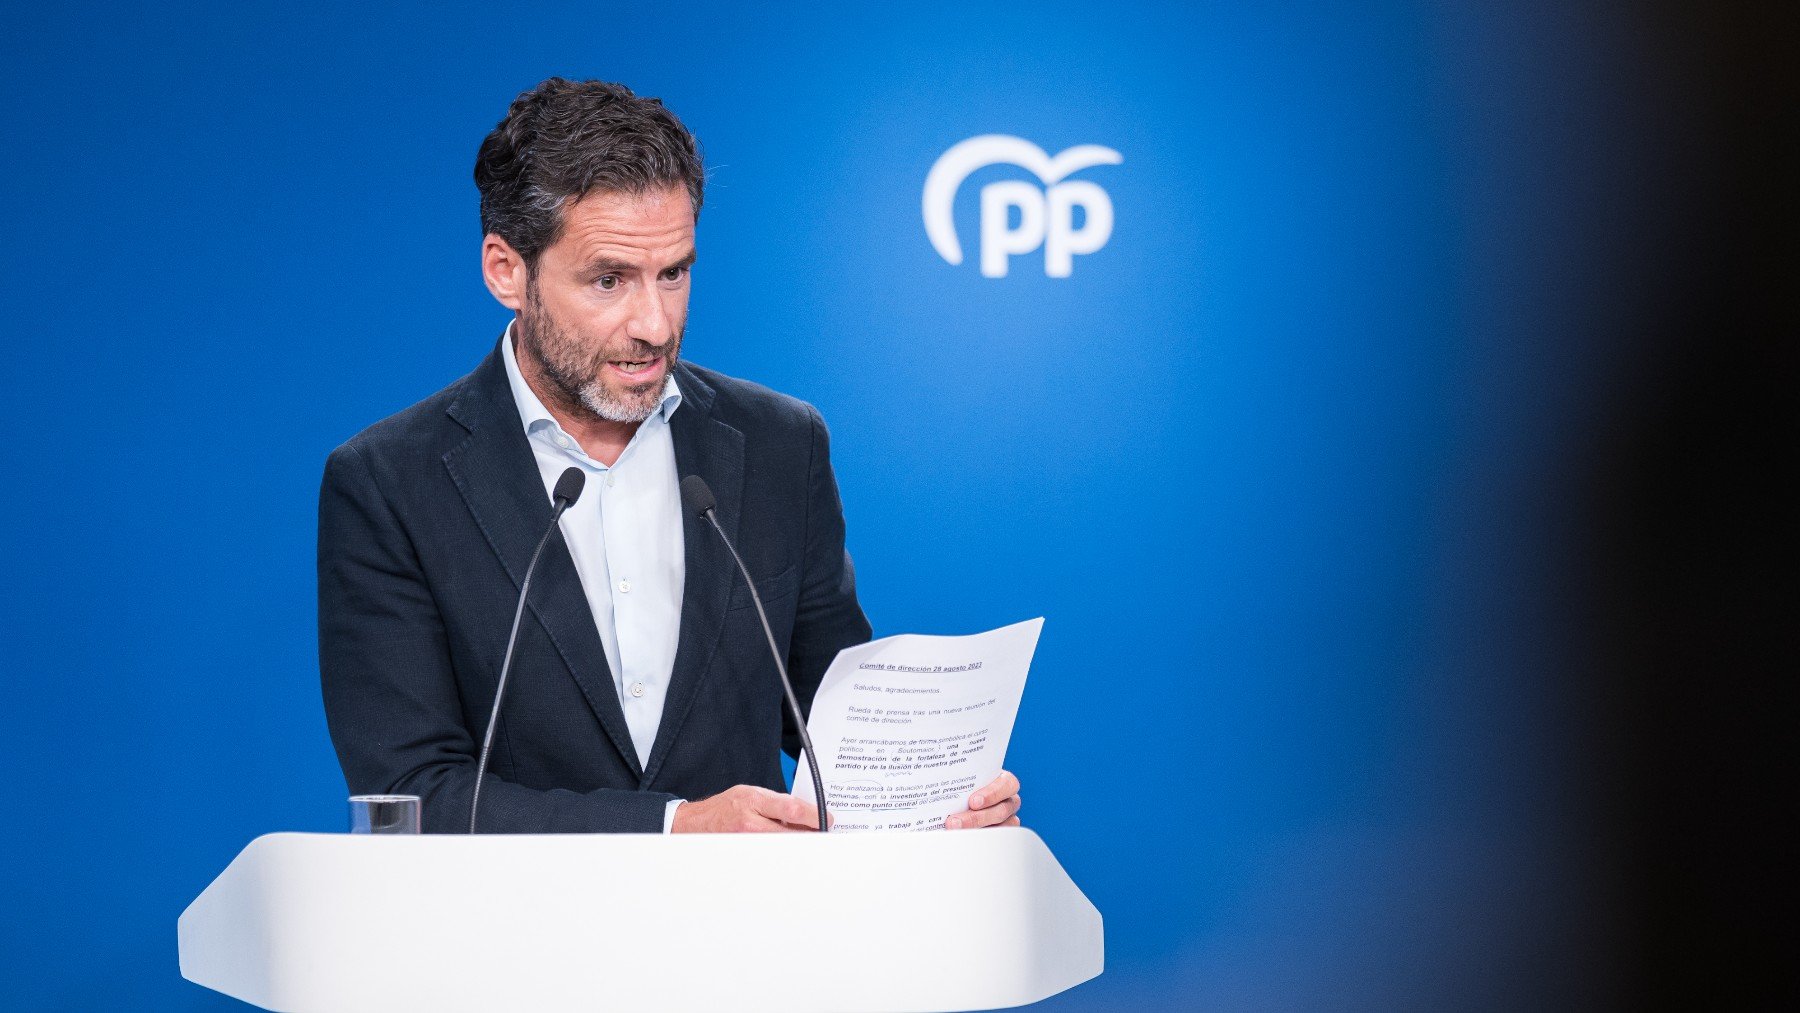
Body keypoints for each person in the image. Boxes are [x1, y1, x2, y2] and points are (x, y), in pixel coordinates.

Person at [318, 77, 1023, 834]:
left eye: (674, 273)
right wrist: (672, 827)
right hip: (512, 943)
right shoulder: (391, 483)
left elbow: (835, 737)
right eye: (610, 280)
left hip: (754, 943)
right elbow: (410, 796)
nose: (653, 324)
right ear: (507, 272)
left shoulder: (783, 445)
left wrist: (936, 800)